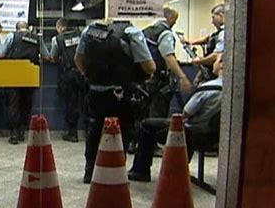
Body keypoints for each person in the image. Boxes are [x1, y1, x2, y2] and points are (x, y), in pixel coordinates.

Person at [75, 19, 155, 183]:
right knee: (122, 132)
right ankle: (115, 171)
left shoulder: (89, 31)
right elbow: (149, 67)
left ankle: (90, 171)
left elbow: (78, 59)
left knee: (95, 129)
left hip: (96, 91)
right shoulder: (131, 32)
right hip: (122, 93)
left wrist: (90, 77)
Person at [128, 56, 223, 182]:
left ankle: (140, 171)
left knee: (147, 125)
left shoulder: (207, 88)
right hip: (213, 135)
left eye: (215, 61)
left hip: (191, 131)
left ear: (222, 65)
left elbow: (186, 112)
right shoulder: (232, 89)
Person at [0, 21, 51, 145]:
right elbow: (47, 56)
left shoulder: (12, 36)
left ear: (17, 29)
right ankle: (22, 131)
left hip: (14, 73)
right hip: (30, 74)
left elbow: (1, 55)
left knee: (13, 103)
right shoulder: (37, 38)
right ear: (28, 28)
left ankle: (14, 134)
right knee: (26, 103)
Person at [143, 7, 193, 118]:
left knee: (145, 114)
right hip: (159, 81)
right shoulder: (165, 33)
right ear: (169, 18)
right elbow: (168, 56)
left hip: (145, 79)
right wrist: (183, 77)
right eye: (174, 21)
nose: (174, 23)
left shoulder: (146, 31)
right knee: (158, 114)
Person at [50, 18, 87, 142]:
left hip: (68, 74)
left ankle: (73, 133)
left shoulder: (57, 39)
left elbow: (53, 57)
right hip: (83, 74)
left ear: (60, 28)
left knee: (71, 103)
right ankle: (89, 131)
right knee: (85, 102)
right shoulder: (81, 35)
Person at [184, 4, 225, 82]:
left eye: (213, 17)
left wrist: (199, 61)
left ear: (221, 16)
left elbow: (216, 55)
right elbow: (207, 38)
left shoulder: (224, 33)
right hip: (209, 72)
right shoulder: (217, 33)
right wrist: (190, 42)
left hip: (215, 76)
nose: (212, 22)